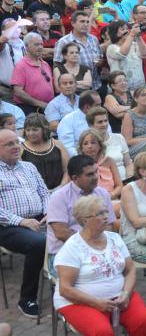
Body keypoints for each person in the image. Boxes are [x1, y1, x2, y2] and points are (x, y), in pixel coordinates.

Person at [53, 195, 146, 336]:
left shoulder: (114, 238)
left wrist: (126, 294)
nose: (107, 217)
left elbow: (130, 270)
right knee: (101, 332)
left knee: (143, 320)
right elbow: (65, 289)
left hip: (118, 297)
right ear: (85, 220)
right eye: (100, 213)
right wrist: (95, 302)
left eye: (106, 212)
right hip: (80, 302)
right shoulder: (73, 247)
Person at [0, 128, 48, 317]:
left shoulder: (29, 166)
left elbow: (44, 192)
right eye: (9, 144)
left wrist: (49, 211)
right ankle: (26, 298)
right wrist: (22, 221)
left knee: (70, 232)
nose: (15, 147)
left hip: (39, 219)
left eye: (17, 142)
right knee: (39, 243)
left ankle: (65, 287)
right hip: (8, 226)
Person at [21, 113, 69, 190]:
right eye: (28, 130)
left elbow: (67, 170)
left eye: (35, 130)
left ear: (44, 129)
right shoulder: (20, 149)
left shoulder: (57, 144)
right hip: (34, 193)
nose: (30, 133)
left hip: (60, 190)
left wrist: (61, 188)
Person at [11, 32, 54, 114]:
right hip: (29, 109)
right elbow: (18, 92)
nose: (40, 47)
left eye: (41, 44)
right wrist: (40, 104)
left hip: (47, 107)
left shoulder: (45, 64)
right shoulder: (20, 66)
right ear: (26, 46)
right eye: (36, 45)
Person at [57, 90, 104, 157]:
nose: (101, 108)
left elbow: (108, 138)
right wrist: (85, 160)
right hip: (81, 162)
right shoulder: (67, 121)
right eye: (98, 105)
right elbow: (67, 148)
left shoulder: (102, 118)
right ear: (87, 107)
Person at [121, 86, 146, 158]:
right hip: (136, 146)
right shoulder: (129, 115)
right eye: (143, 95)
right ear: (136, 99)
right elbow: (128, 141)